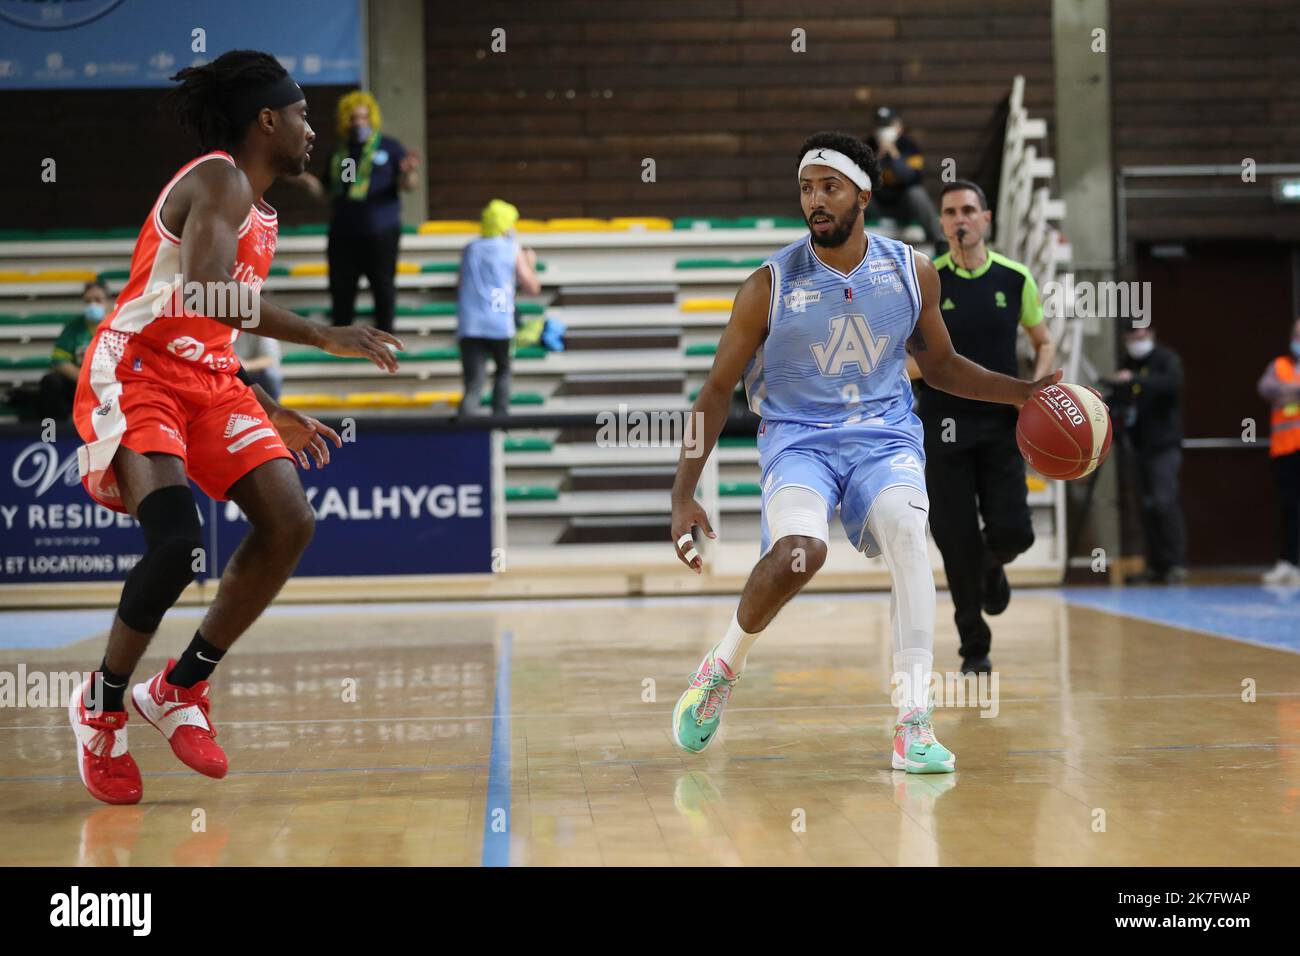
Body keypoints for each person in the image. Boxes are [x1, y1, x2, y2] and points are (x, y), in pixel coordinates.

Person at [67, 50, 403, 806]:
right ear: (266, 120)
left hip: (207, 378)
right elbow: (210, 294)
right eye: (304, 114)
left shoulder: (263, 207)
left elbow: (211, 328)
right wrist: (323, 334)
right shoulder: (218, 177)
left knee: (289, 522)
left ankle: (180, 687)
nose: (312, 130)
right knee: (180, 544)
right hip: (140, 370)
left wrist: (266, 405)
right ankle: (103, 702)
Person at [668, 131, 1061, 773]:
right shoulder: (768, 284)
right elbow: (714, 390)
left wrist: (1024, 394)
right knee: (801, 555)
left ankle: (913, 722)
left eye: (830, 187)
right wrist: (683, 492)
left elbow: (942, 368)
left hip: (884, 437)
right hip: (798, 440)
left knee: (909, 533)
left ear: (863, 195)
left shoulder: (911, 270)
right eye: (806, 188)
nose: (815, 201)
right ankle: (722, 667)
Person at [912, 179, 1056, 674]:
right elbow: (909, 358)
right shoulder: (927, 279)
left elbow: (1045, 343)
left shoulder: (1015, 279)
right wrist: (927, 369)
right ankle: (974, 646)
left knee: (1014, 532)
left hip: (1000, 424)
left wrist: (1034, 394)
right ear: (943, 223)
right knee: (954, 537)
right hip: (941, 423)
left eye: (968, 210)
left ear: (986, 219)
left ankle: (994, 566)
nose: (959, 219)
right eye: (950, 212)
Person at [299, 91, 420, 335]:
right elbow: (331, 193)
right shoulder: (341, 154)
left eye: (364, 117)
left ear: (372, 118)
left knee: (383, 285)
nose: (359, 123)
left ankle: (385, 336)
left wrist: (408, 172)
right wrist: (303, 179)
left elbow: (408, 185)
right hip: (344, 233)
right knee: (341, 288)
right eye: (353, 118)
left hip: (381, 231)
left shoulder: (389, 147)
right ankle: (341, 338)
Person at [1104, 323, 1188, 585]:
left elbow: (1171, 384)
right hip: (1138, 445)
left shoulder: (1166, 359)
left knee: (1164, 501)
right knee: (1146, 506)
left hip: (1164, 445)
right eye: (1133, 335)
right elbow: (1122, 398)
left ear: (1151, 334)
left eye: (1143, 334)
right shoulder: (1128, 361)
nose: (1138, 339)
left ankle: (1176, 563)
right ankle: (1156, 564)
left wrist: (1135, 380)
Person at [455, 199, 540, 418]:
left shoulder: (470, 249)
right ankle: (500, 421)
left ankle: (464, 431)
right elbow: (532, 287)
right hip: (500, 323)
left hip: (471, 323)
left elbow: (461, 281)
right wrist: (530, 263)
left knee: (473, 383)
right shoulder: (512, 249)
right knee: (503, 371)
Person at [1256, 317, 1300, 585]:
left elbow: (1283, 394)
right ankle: (1288, 562)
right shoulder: (1279, 365)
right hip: (1285, 449)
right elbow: (1267, 388)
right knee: (1289, 507)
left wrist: (1290, 392)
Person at [865, 106, 944, 251]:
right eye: (880, 127)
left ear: (898, 127)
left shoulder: (909, 146)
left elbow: (912, 177)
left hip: (903, 205)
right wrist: (878, 157)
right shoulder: (867, 146)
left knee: (916, 194)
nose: (883, 130)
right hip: (876, 204)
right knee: (855, 195)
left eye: (887, 126)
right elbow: (862, 179)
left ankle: (940, 240)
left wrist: (894, 155)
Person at [39, 281, 108, 421]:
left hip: (109, 385)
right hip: (79, 384)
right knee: (51, 381)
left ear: (107, 301)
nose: (93, 304)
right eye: (88, 301)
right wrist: (84, 379)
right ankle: (56, 431)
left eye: (97, 299)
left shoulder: (117, 326)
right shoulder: (73, 328)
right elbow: (59, 361)